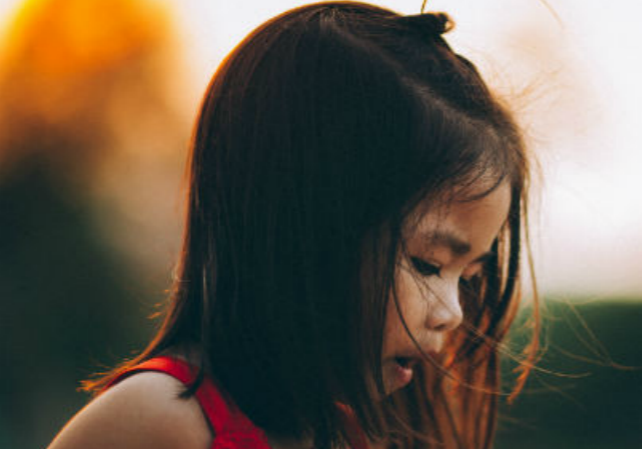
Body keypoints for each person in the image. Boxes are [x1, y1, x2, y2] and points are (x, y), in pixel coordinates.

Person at [46, 2, 538, 448]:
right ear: (304, 229)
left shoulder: (347, 435)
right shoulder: (156, 419)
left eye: (468, 278)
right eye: (429, 265)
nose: (452, 313)